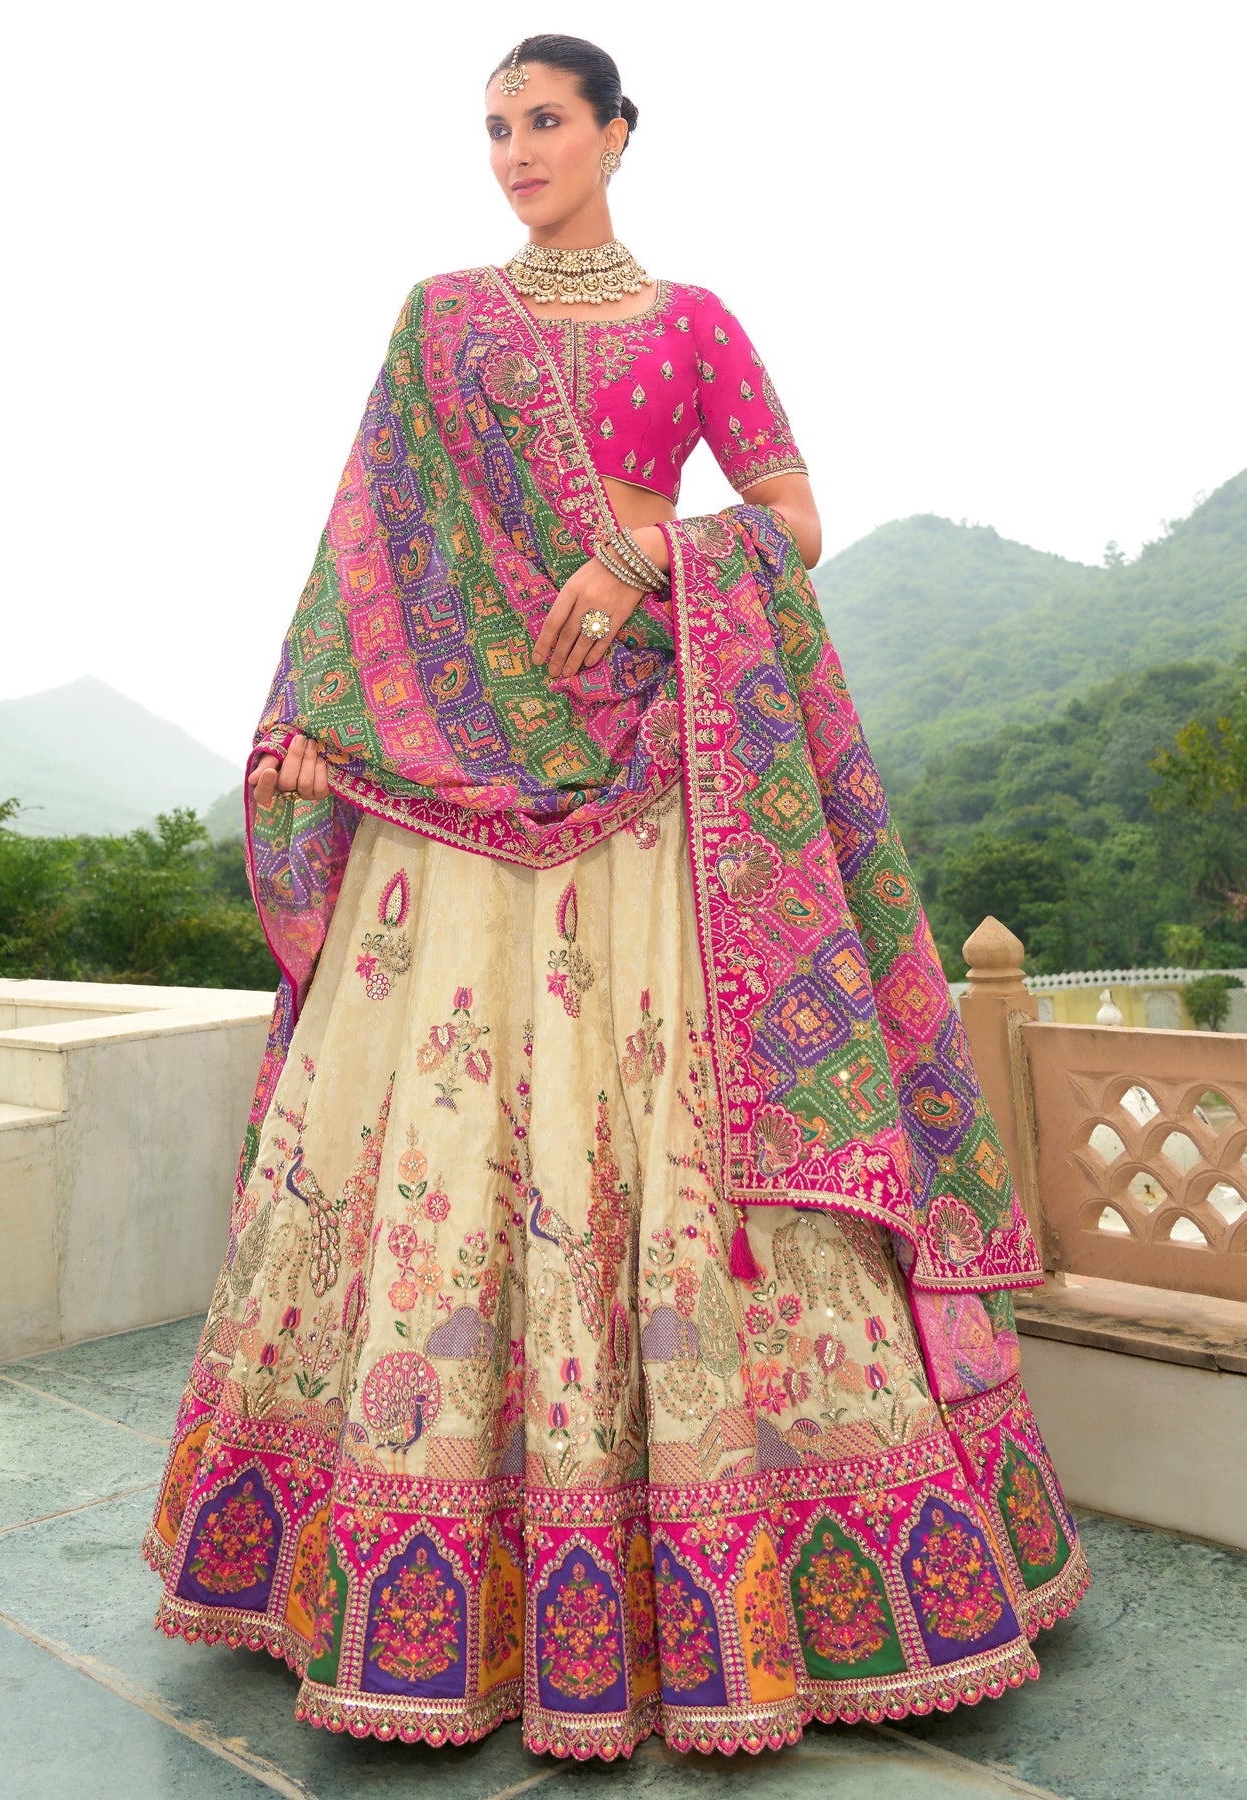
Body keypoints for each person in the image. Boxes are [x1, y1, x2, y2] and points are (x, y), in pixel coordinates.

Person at [144, 33, 1088, 1761]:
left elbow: (790, 519)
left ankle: (742, 1564)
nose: (515, 152)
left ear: (618, 133)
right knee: (444, 1128)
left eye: (546, 122)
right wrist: (315, 727)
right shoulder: (441, 321)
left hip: (655, 768)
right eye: (494, 128)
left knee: (667, 1118)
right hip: (454, 779)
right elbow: (372, 545)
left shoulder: (695, 322)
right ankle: (408, 1549)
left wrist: (642, 548)